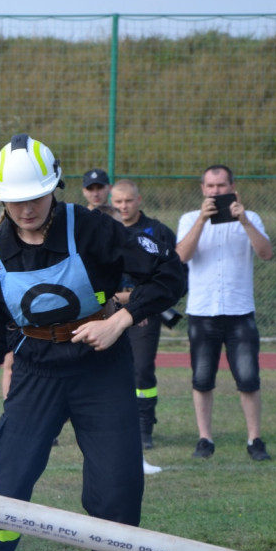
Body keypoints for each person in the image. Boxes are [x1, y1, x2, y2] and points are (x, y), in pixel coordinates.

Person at [0, 135, 185, 551]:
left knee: (118, 489)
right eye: (14, 200)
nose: (24, 209)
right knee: (10, 488)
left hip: (101, 368)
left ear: (55, 189)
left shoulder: (94, 229)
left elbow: (170, 272)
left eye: (35, 198)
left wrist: (123, 319)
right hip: (37, 371)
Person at [176, 164, 274, 461]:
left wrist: (243, 219)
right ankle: (205, 439)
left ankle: (254, 439)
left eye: (221, 186)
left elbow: (266, 253)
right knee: (202, 378)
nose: (216, 191)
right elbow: (181, 256)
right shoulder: (190, 218)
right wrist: (203, 221)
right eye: (210, 186)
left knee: (248, 378)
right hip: (203, 311)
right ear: (202, 189)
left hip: (239, 310)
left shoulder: (251, 217)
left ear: (233, 187)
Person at [111, 179, 179, 452]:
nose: (124, 206)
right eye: (118, 202)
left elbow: (169, 276)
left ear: (138, 200)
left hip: (144, 313)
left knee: (141, 370)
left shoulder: (157, 231)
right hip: (107, 311)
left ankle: (144, 425)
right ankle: (114, 424)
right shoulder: (105, 230)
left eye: (128, 200)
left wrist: (141, 303)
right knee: (110, 372)